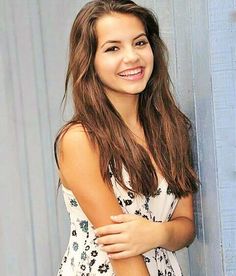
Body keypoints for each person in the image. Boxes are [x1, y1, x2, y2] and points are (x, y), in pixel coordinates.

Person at [54, 0, 199, 275]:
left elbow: (185, 225)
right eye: (113, 48)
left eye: (140, 43)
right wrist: (153, 235)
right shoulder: (82, 140)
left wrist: (156, 234)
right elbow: (123, 255)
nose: (132, 57)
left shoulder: (171, 129)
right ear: (90, 61)